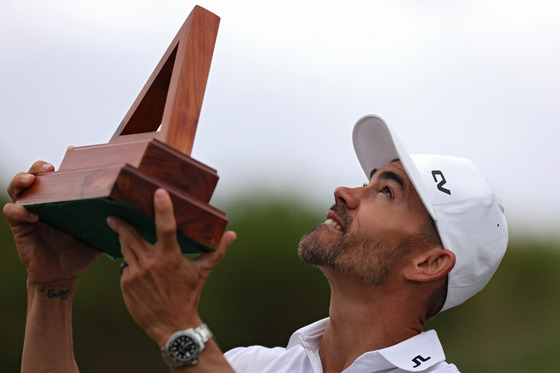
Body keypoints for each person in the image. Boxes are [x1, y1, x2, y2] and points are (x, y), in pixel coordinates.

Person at [4, 115, 508, 373]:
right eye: (367, 178)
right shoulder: (248, 365)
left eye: (385, 191)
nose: (346, 191)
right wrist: (52, 286)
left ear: (429, 261)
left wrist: (180, 331)